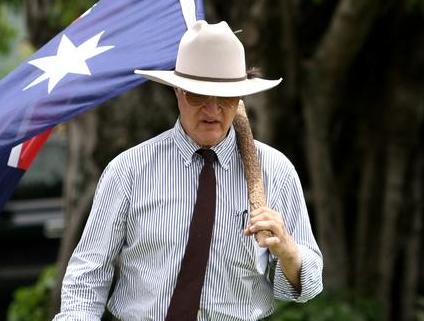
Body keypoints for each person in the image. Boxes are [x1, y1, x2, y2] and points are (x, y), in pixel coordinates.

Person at [53, 20, 323, 320]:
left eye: (224, 98)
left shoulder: (276, 171)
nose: (212, 110)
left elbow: (309, 285)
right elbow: (87, 277)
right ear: (178, 92)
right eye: (198, 96)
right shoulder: (129, 171)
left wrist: (287, 250)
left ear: (240, 98)